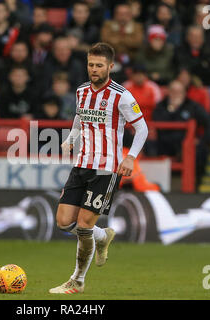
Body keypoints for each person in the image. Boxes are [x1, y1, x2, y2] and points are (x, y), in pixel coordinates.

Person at [49, 42, 148, 294]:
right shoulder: (82, 91)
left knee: (83, 227)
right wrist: (72, 138)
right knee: (62, 222)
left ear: (110, 67)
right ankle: (102, 236)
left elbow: (142, 128)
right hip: (81, 164)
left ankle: (77, 281)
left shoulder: (121, 96)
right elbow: (80, 117)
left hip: (106, 169)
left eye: (99, 65)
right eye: (91, 64)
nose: (94, 69)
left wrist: (130, 157)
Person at [152, 80, 210, 180]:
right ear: (168, 92)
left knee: (200, 151)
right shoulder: (161, 106)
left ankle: (195, 184)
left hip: (184, 144)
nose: (176, 94)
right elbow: (157, 122)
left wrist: (201, 141)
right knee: (149, 146)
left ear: (184, 93)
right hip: (164, 143)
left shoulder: (193, 106)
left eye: (179, 92)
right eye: (173, 91)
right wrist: (173, 110)